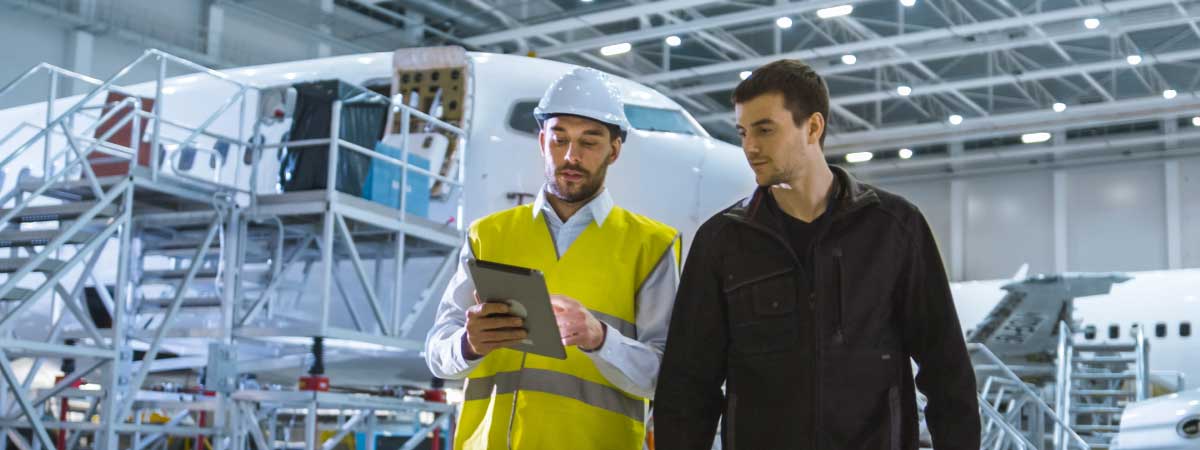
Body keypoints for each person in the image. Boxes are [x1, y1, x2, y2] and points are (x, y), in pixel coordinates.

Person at [654, 59, 981, 449]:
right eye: (742, 132)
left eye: (765, 130)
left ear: (812, 127)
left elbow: (947, 370)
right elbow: (688, 387)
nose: (749, 147)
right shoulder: (721, 241)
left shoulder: (894, 228)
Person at [424, 67, 681, 450]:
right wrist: (467, 344)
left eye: (589, 142)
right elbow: (436, 353)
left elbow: (669, 376)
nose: (571, 156)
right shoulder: (488, 235)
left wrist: (601, 339)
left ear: (614, 149)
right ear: (542, 140)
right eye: (559, 139)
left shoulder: (651, 246)